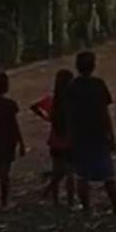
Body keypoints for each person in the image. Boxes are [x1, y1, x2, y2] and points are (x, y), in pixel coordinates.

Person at [67, 52, 116, 215]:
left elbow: (69, 113)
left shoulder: (72, 87)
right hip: (99, 134)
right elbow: (104, 112)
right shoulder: (98, 84)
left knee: (82, 175)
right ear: (94, 66)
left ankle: (86, 208)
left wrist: (71, 136)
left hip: (80, 135)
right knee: (108, 175)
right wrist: (111, 134)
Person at [30, 69, 76, 207]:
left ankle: (55, 199)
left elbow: (34, 106)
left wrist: (47, 118)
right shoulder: (73, 102)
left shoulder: (52, 101)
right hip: (70, 141)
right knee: (70, 174)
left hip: (55, 141)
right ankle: (70, 201)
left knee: (57, 171)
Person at [0, 72, 25, 211]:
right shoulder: (10, 104)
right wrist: (21, 142)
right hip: (8, 140)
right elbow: (14, 125)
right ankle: (4, 202)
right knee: (5, 173)